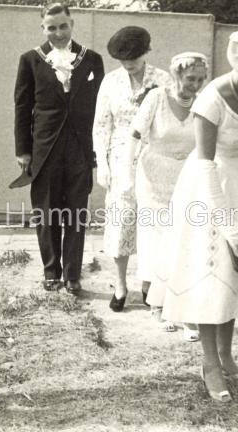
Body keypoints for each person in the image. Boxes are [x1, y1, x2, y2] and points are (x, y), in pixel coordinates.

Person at [153, 27, 238, 402]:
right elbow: (205, 165)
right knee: (211, 274)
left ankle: (227, 354)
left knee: (236, 273)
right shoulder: (211, 99)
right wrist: (229, 225)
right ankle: (209, 362)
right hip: (206, 191)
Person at [13, 3, 104, 294]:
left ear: (72, 24)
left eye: (63, 26)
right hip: (45, 148)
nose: (58, 33)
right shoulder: (30, 60)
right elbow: (22, 107)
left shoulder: (92, 60)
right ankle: (51, 271)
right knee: (47, 211)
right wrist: (23, 150)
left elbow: (101, 110)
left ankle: (72, 275)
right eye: (51, 27)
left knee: (77, 212)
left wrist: (97, 151)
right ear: (43, 28)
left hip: (79, 148)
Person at [130, 52, 207, 340]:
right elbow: (135, 134)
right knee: (155, 237)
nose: (195, 85)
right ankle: (157, 302)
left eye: (200, 79)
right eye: (190, 79)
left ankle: (180, 303)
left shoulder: (202, 103)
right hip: (153, 175)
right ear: (176, 76)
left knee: (183, 238)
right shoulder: (156, 98)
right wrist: (124, 171)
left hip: (187, 177)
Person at [93, 26, 170, 312]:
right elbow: (101, 125)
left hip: (153, 158)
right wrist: (102, 163)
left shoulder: (163, 80)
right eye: (123, 59)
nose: (128, 64)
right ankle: (121, 284)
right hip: (120, 160)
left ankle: (150, 283)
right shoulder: (111, 82)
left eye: (134, 58)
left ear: (146, 52)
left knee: (153, 221)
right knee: (121, 221)